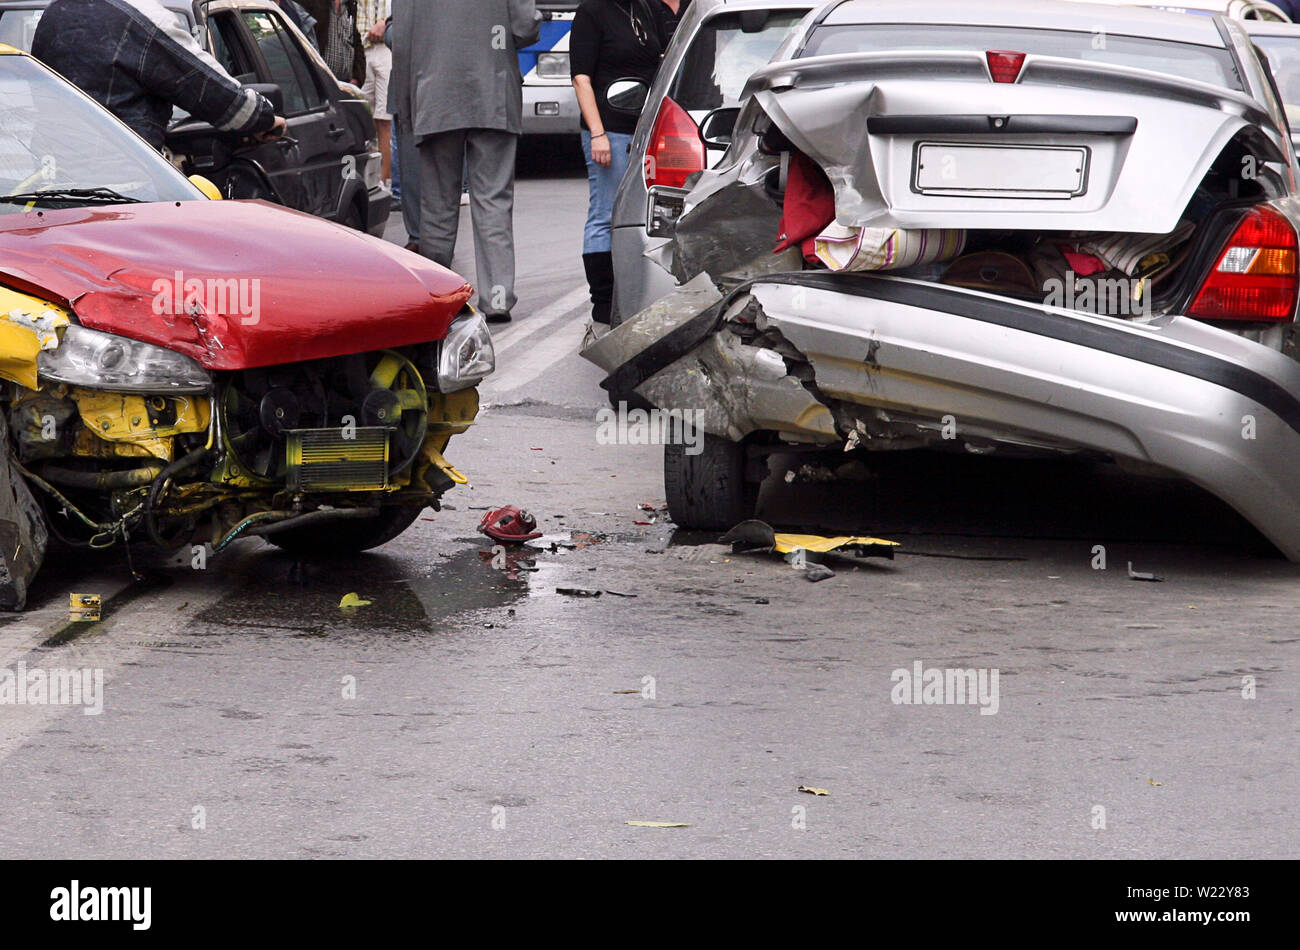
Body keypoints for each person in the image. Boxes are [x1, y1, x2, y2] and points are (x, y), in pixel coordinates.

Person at [391, 0, 540, 325]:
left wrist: (405, 105)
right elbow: (525, 25)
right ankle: (496, 297)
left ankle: (441, 294)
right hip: (493, 93)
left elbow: (399, 39)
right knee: (493, 201)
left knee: (438, 204)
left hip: (434, 96)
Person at [32, 0, 285, 151]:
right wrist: (263, 118)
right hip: (125, 183)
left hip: (50, 176)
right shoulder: (143, 17)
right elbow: (221, 98)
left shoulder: (56, 11)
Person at [570, 0, 665, 324]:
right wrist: (598, 134)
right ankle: (603, 299)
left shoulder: (643, 8)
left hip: (646, 129)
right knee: (605, 212)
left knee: (643, 213)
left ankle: (636, 290)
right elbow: (581, 79)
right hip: (609, 129)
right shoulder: (591, 11)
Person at [354, 0, 392, 185]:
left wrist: (385, 22)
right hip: (363, 48)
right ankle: (366, 180)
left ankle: (384, 181)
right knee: (362, 118)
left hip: (388, 48)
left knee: (385, 120)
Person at [300, 0, 365, 85]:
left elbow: (355, 40)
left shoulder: (349, 5)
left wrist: (357, 78)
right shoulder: (310, 3)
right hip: (318, 84)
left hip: (345, 86)